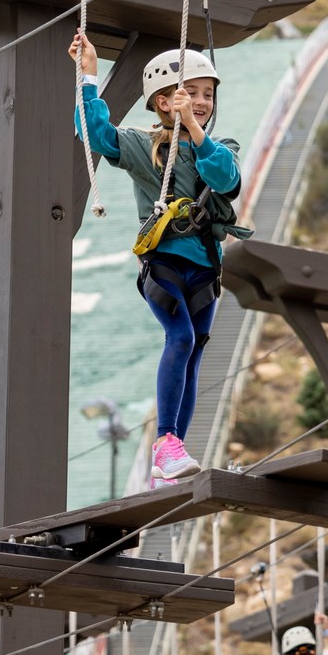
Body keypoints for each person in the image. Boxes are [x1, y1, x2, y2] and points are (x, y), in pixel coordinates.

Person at [68, 32, 250, 488]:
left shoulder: (219, 144)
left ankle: (173, 449)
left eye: (208, 94)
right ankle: (166, 441)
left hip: (206, 266)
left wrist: (194, 125)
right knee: (181, 338)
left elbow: (225, 178)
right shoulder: (144, 147)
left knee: (193, 352)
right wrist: (88, 76)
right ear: (163, 101)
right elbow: (96, 133)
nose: (202, 101)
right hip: (165, 262)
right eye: (191, 93)